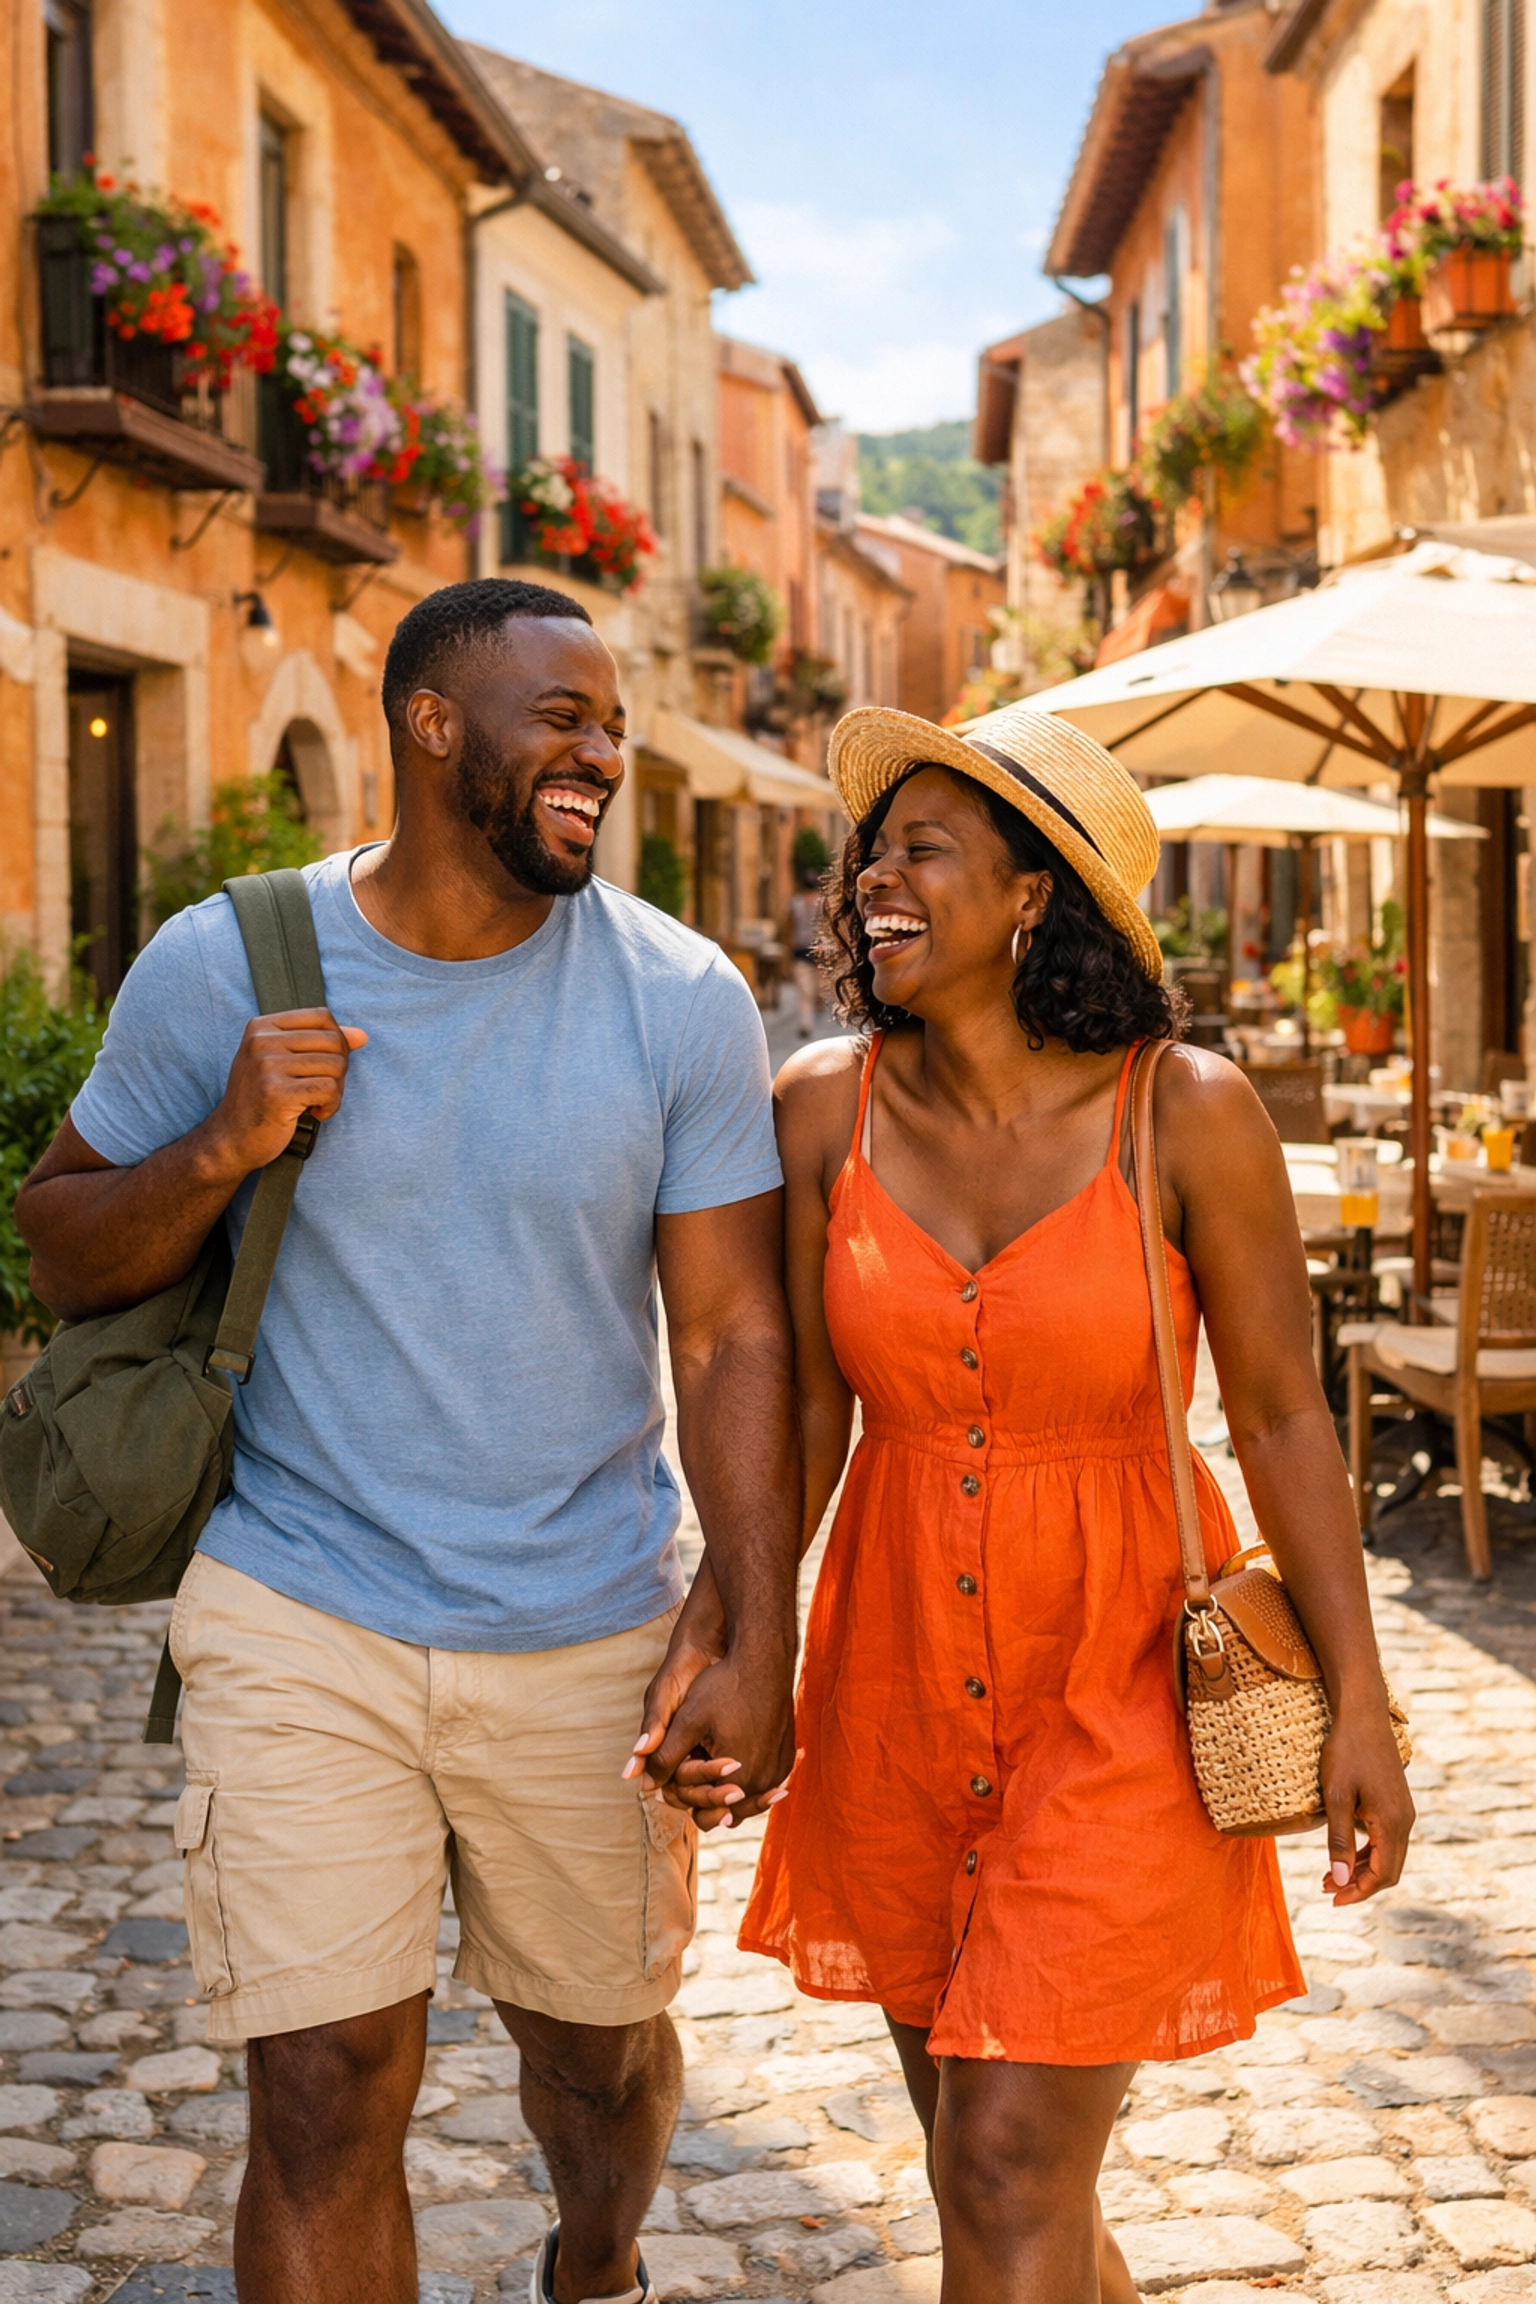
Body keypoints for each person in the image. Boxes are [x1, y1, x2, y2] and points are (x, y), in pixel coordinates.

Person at [15, 578, 801, 2304]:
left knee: (596, 2061)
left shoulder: (679, 996)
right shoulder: (226, 960)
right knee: (319, 2092)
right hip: (302, 1601)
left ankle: (594, 2262)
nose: (604, 753)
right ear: (433, 723)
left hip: (588, 1619)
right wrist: (220, 1145)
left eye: (614, 725)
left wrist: (759, 1620)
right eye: (564, 717)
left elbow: (734, 1331)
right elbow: (59, 1243)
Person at [660, 704, 1415, 2302]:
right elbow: (802, 1414)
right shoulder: (823, 1110)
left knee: (1005, 2165)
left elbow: (1283, 1415)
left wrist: (1361, 1698)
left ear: (1030, 897)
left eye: (925, 848)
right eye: (873, 851)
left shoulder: (1186, 1110)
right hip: (894, 1679)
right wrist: (739, 1636)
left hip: (1126, 1671)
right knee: (990, 2168)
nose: (876, 877)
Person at [787, 865, 826, 1039]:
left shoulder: (798, 903)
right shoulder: (821, 902)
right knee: (807, 990)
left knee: (810, 991)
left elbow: (788, 926)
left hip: (809, 950)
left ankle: (810, 1015)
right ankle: (806, 1023)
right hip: (813, 950)